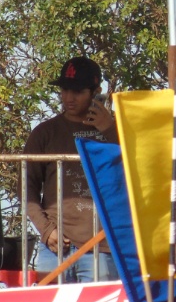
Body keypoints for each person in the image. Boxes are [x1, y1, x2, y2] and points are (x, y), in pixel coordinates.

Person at [23, 56, 119, 282]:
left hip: (103, 246)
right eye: (64, 90)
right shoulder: (45, 133)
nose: (68, 98)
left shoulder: (118, 130)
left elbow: (136, 170)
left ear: (95, 92)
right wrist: (46, 231)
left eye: (77, 91)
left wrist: (110, 130)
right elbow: (26, 188)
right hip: (55, 247)